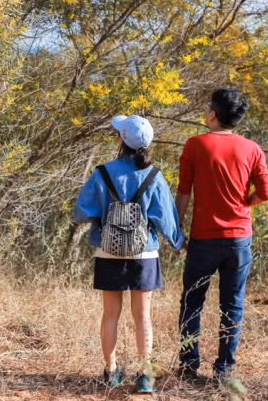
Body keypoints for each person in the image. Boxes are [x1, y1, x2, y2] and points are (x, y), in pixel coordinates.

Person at [74, 115, 184, 393]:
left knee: (110, 314)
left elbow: (81, 212)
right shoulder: (154, 176)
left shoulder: (102, 172)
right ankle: (145, 375)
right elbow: (167, 221)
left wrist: (105, 216)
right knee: (143, 316)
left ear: (121, 139)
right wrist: (177, 242)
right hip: (144, 254)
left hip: (108, 252)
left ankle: (111, 373)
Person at [176, 88, 268, 390]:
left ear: (214, 114)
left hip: (203, 238)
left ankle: (189, 366)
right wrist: (245, 204)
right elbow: (266, 194)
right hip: (239, 239)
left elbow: (183, 193)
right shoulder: (253, 148)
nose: (205, 111)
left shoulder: (195, 145)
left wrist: (176, 231)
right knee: (232, 305)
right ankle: (224, 370)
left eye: (207, 107)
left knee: (192, 301)